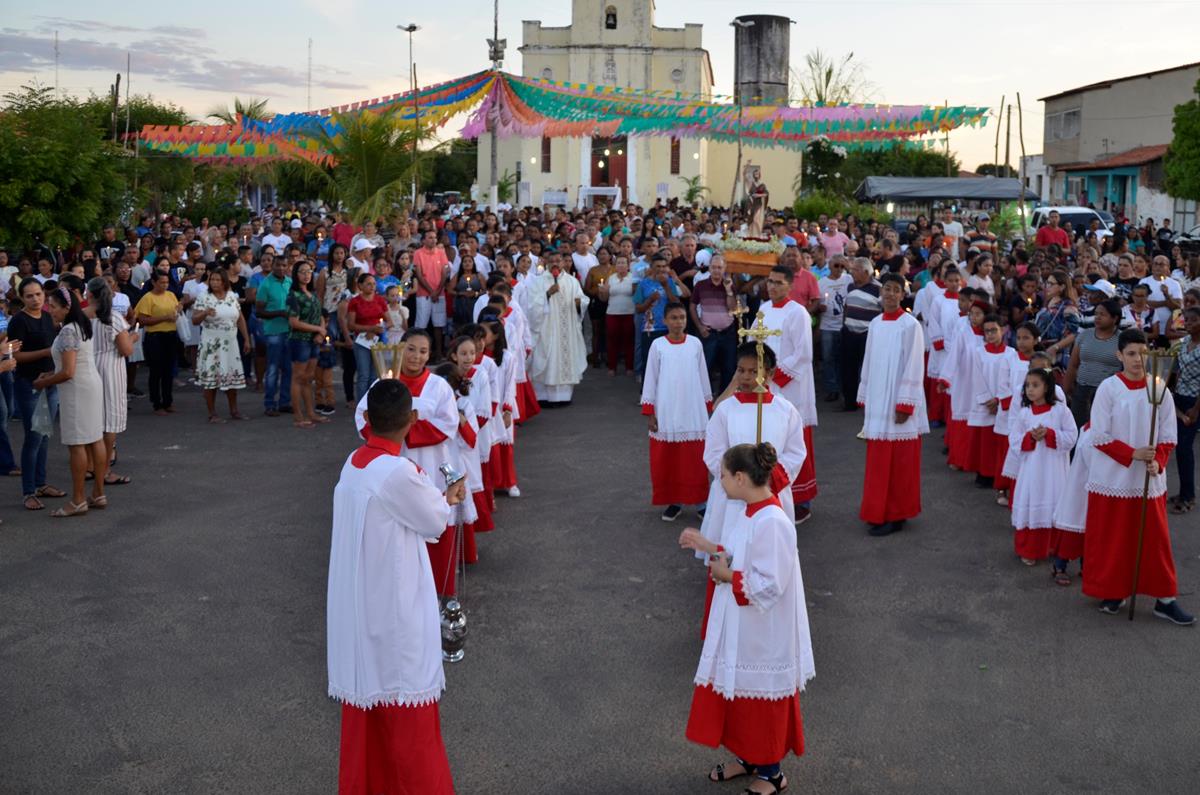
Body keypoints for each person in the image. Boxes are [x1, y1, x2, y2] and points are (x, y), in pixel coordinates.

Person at [327, 378, 465, 795]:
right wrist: (449, 496)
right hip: (393, 610)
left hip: (361, 606)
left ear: (367, 419)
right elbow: (433, 520)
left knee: (372, 719)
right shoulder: (397, 472)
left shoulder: (354, 462)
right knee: (409, 726)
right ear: (412, 420)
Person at [678, 443, 814, 795]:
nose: (719, 482)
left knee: (762, 701)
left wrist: (726, 576)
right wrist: (709, 546)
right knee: (741, 695)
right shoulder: (751, 512)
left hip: (764, 633)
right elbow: (742, 553)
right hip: (745, 626)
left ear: (740, 478)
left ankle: (772, 774)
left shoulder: (774, 521)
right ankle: (750, 758)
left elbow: (770, 584)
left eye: (723, 476)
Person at [1083, 329, 1192, 624]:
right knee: (1115, 538)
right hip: (1113, 477)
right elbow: (1099, 435)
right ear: (1119, 355)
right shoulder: (1108, 388)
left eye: (1143, 354)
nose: (1137, 360)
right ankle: (1114, 591)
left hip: (1147, 478)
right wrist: (1133, 453)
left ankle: (1164, 599)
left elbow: (1168, 435)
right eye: (1131, 354)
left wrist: (1157, 460)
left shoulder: (1159, 389)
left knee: (1154, 539)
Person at [354, 329, 462, 595]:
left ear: (430, 354)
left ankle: (438, 592)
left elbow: (448, 423)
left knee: (431, 515)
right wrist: (394, 428)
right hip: (391, 464)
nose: (416, 356)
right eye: (411, 349)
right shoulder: (384, 383)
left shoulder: (439, 386)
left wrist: (403, 428)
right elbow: (362, 416)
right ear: (400, 350)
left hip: (430, 463)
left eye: (423, 351)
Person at [700, 344, 807, 551]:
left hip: (770, 489)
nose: (746, 377)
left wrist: (768, 477)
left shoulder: (785, 410)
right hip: (734, 491)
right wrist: (738, 478)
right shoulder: (725, 410)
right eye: (741, 370)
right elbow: (714, 452)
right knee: (730, 548)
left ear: (770, 374)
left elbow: (795, 452)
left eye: (753, 371)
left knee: (768, 550)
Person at [857, 273, 929, 536]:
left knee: (899, 463)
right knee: (878, 462)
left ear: (902, 295)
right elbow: (868, 359)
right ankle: (877, 510)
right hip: (878, 401)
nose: (890, 294)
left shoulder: (910, 325)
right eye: (886, 288)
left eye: (896, 290)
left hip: (899, 402)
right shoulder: (876, 323)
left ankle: (896, 514)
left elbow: (914, 365)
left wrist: (905, 404)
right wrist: (865, 394)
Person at [36, 287, 107, 516]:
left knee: (77, 444)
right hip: (90, 384)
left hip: (77, 389)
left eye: (53, 306)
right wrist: (51, 374)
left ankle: (78, 500)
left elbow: (68, 371)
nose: (50, 310)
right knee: (95, 439)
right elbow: (73, 363)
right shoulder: (81, 324)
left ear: (67, 308)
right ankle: (98, 493)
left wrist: (43, 383)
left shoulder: (67, 330)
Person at [641, 303, 712, 522]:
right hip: (667, 408)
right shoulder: (658, 345)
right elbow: (651, 378)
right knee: (670, 459)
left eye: (682, 317)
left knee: (695, 459)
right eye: (673, 318)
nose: (678, 322)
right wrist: (650, 411)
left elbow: (703, 375)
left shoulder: (695, 344)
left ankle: (701, 502)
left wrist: (707, 406)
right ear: (665, 320)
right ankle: (674, 501)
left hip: (693, 409)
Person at [1003, 367, 1078, 565]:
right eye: (1027, 385)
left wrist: (1050, 434)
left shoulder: (1060, 411)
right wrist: (1030, 437)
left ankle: (1054, 547)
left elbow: (1072, 436)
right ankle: (1030, 549)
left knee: (1055, 502)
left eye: (1035, 385)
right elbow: (1014, 439)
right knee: (1032, 501)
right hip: (1032, 470)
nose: (1030, 389)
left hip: (1054, 469)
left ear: (1046, 387)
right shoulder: (1024, 414)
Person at [760, 265, 818, 521]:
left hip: (791, 387)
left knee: (795, 442)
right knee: (771, 440)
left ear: (790, 285)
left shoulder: (798, 312)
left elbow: (803, 353)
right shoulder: (763, 309)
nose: (772, 286)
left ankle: (802, 499)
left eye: (778, 282)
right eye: (770, 282)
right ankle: (772, 494)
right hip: (766, 384)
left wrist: (775, 374)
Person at [9, 278, 65, 510]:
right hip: (29, 383)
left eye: (38, 294)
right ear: (22, 298)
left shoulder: (47, 317)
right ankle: (28, 491)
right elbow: (15, 356)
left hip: (50, 381)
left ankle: (41, 484)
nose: (35, 299)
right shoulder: (18, 321)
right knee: (33, 437)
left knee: (45, 435)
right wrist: (45, 351)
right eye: (29, 296)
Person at [86, 277, 133, 484]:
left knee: (91, 419)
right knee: (109, 422)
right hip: (110, 368)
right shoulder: (113, 317)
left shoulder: (81, 316)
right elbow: (125, 349)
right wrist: (133, 338)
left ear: (89, 294)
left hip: (88, 365)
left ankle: (89, 466)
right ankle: (104, 470)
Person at [527, 251, 588, 405]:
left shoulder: (572, 281)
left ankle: (564, 396)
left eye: (558, 260)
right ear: (546, 263)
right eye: (552, 260)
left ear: (563, 262)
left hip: (567, 329)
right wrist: (547, 294)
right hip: (547, 329)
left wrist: (579, 304)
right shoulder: (538, 282)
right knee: (546, 358)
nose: (555, 263)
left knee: (565, 359)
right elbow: (531, 306)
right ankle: (542, 396)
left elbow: (582, 299)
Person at [193, 268, 250, 422]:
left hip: (230, 343)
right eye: (212, 279)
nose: (215, 283)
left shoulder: (231, 296)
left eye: (218, 280)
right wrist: (205, 313)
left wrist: (246, 339)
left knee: (231, 376)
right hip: (211, 344)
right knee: (211, 380)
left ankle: (234, 410)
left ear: (224, 282)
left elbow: (240, 318)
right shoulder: (204, 297)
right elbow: (194, 320)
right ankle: (212, 413)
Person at [1064, 298, 1121, 428]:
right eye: (1096, 314)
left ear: (1115, 318)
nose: (1097, 317)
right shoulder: (1085, 335)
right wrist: (1065, 390)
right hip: (1082, 391)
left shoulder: (1121, 339)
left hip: (1108, 393)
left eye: (1103, 314)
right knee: (1079, 428)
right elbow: (1073, 365)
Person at [688, 254, 739, 394]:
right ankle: (704, 397)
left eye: (720, 267)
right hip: (708, 333)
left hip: (728, 333)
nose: (717, 270)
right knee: (705, 367)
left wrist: (728, 290)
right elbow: (692, 307)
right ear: (709, 268)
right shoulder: (701, 285)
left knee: (728, 368)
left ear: (724, 268)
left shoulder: (730, 286)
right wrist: (700, 327)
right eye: (714, 267)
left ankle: (725, 397)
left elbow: (733, 308)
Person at [133, 271, 182, 416]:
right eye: (162, 282)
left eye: (167, 282)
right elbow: (142, 320)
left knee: (168, 370)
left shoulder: (171, 295)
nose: (165, 285)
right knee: (156, 371)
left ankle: (168, 401)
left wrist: (178, 309)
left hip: (171, 334)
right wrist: (164, 318)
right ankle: (156, 402)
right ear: (154, 282)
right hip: (155, 336)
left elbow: (175, 309)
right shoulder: (148, 298)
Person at [287, 261, 327, 429]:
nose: (306, 275)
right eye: (302, 272)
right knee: (298, 377)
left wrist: (321, 332)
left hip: (313, 340)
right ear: (296, 275)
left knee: (308, 378)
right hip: (300, 340)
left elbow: (320, 316)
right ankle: (298, 416)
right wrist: (318, 329)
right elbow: (294, 322)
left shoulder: (313, 294)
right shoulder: (294, 295)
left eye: (309, 271)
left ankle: (311, 413)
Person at [839, 258, 882, 413]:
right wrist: (844, 325)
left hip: (867, 334)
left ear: (866, 272)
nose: (852, 272)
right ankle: (850, 402)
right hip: (849, 333)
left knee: (868, 369)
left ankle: (869, 402)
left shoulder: (878, 288)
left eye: (855, 270)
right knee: (847, 368)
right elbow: (846, 307)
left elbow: (883, 311)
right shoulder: (850, 286)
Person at [1169, 307, 1200, 514]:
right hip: (1180, 396)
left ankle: (1188, 496)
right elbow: (1178, 370)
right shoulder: (1184, 343)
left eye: (1193, 320)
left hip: (1194, 401)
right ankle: (1183, 492)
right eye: (1186, 320)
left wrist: (1196, 409)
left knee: (1184, 448)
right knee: (1179, 446)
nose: (1187, 323)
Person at [346, 273, 388, 400]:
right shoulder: (355, 302)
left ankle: (372, 402)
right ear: (360, 285)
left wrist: (378, 329)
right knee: (363, 375)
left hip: (378, 340)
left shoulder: (380, 300)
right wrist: (370, 329)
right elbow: (351, 325)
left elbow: (389, 321)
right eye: (368, 284)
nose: (372, 286)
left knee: (375, 375)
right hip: (361, 341)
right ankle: (362, 404)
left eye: (374, 284)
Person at [816, 255, 851, 403]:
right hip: (827, 325)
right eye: (836, 266)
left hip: (844, 324)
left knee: (842, 358)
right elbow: (816, 303)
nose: (840, 269)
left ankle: (843, 387)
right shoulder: (821, 283)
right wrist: (820, 308)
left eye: (842, 266)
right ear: (829, 266)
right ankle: (832, 389)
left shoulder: (848, 279)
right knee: (828, 358)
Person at [412, 230, 450, 359]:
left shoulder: (441, 252)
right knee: (421, 325)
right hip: (423, 294)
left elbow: (444, 273)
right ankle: (420, 352)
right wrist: (431, 291)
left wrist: (438, 291)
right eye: (430, 237)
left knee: (438, 324)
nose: (433, 240)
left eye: (434, 237)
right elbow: (418, 274)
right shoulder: (418, 253)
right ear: (423, 240)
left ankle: (438, 352)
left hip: (439, 294)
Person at [602, 254, 636, 375]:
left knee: (629, 341)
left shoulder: (633, 278)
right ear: (615, 266)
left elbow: (637, 295)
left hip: (629, 313)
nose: (621, 265)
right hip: (612, 313)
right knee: (612, 340)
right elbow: (604, 298)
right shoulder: (611, 278)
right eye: (618, 263)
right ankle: (612, 367)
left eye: (623, 263)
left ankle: (629, 367)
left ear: (628, 265)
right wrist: (603, 292)